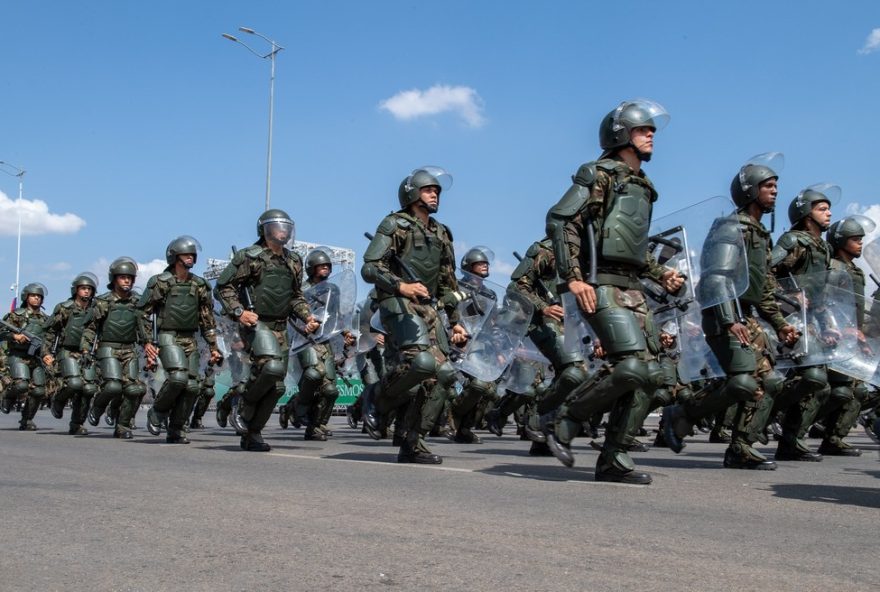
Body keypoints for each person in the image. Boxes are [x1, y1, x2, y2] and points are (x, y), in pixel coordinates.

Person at [544, 99, 684, 484]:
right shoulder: (599, 173)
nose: (651, 134)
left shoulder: (643, 186)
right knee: (631, 365)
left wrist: (661, 275)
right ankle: (565, 419)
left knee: (653, 375)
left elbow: (631, 248)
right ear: (622, 134)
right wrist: (574, 278)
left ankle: (613, 458)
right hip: (599, 284)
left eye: (652, 129)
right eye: (643, 129)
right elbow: (561, 221)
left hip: (633, 287)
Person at [663, 156, 798, 469]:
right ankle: (683, 413)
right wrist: (729, 318)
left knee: (771, 384)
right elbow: (716, 276)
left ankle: (741, 447)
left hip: (746, 317)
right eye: (768, 186)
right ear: (749, 190)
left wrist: (780, 325)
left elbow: (763, 290)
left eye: (776, 185)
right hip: (723, 315)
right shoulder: (730, 227)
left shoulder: (760, 235)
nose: (775, 191)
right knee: (743, 383)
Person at [361, 166, 468, 464]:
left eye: (436, 190)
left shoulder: (442, 232)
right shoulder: (395, 224)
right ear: (411, 193)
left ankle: (413, 442)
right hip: (398, 304)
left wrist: (456, 321)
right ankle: (376, 395)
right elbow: (370, 267)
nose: (434, 194)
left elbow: (448, 281)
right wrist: (402, 285)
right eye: (428, 189)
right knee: (420, 363)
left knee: (444, 374)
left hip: (429, 310)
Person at [214, 209, 319, 451]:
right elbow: (223, 287)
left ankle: (252, 433)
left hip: (280, 327)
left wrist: (307, 317)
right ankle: (241, 404)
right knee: (271, 368)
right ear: (265, 229)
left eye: (286, 226)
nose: (283, 230)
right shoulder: (249, 256)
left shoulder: (293, 260)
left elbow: (295, 297)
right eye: (277, 226)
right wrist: (240, 312)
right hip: (255, 324)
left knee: (278, 386)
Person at [771, 185, 837, 462]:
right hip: (791, 320)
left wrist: (829, 324)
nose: (828, 213)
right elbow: (766, 270)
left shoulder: (824, 248)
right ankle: (766, 409)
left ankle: (790, 441)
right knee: (814, 379)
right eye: (821, 208)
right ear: (806, 213)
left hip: (814, 321)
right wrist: (788, 293)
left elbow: (820, 294)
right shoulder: (793, 241)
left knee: (818, 385)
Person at [141, 236, 222, 444]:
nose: (190, 258)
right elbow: (143, 313)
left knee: (193, 386)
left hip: (190, 339)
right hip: (168, 336)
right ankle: (157, 412)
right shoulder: (160, 282)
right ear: (175, 257)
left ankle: (177, 429)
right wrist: (147, 342)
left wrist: (214, 346)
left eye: (193, 255)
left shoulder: (200, 285)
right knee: (178, 378)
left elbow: (207, 318)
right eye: (186, 255)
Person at [279, 248, 353, 441]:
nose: (326, 268)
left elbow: (336, 316)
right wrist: (304, 329)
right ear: (312, 268)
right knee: (313, 375)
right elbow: (291, 316)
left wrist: (345, 332)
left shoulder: (333, 290)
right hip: (304, 341)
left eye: (328, 265)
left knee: (330, 390)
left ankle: (316, 425)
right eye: (322, 265)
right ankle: (298, 410)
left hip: (325, 341)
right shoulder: (301, 290)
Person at [83, 258, 151, 439]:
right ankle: (97, 407)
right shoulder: (102, 302)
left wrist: (149, 346)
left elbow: (144, 328)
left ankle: (122, 425)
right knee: (113, 386)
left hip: (130, 349)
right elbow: (90, 328)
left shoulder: (138, 302)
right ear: (114, 279)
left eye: (130, 277)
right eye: (122, 277)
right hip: (108, 348)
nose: (127, 281)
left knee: (135, 389)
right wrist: (85, 350)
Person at [42, 273, 99, 435]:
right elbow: (50, 331)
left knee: (88, 389)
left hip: (87, 353)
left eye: (89, 289)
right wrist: (46, 352)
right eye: (83, 289)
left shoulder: (96, 309)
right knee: (74, 384)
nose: (86, 292)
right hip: (67, 351)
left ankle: (77, 423)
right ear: (76, 290)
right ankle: (58, 399)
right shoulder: (65, 308)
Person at [1, 283, 50, 430]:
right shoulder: (16, 315)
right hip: (18, 355)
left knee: (39, 390)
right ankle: (8, 396)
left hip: (37, 358)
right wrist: (14, 336)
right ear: (26, 297)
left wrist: (47, 354)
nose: (37, 298)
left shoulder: (46, 320)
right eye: (33, 295)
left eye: (39, 296)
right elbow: (1, 332)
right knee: (21, 385)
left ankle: (27, 419)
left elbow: (49, 339)